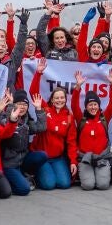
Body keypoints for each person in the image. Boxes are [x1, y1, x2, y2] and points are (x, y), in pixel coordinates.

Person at [25, 60, 76, 190]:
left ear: (65, 99)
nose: (59, 100)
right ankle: (35, 174)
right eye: (56, 98)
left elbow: (71, 142)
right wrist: (38, 73)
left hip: (57, 158)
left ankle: (52, 171)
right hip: (42, 156)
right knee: (49, 185)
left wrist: (73, 161)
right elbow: (33, 92)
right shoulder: (45, 109)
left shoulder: (69, 117)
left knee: (64, 184)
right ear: (52, 100)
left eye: (62, 98)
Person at [70, 69, 112, 190]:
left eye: (95, 104)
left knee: (102, 185)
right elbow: (74, 105)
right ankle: (84, 173)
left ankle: (100, 172)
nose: (93, 107)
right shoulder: (81, 119)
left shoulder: (104, 118)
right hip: (85, 159)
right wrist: (78, 87)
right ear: (86, 106)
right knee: (88, 186)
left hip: (101, 158)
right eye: (90, 105)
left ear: (98, 106)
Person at [0, 89, 48, 196]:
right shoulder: (5, 120)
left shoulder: (27, 121)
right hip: (9, 164)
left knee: (42, 155)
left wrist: (38, 109)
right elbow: (6, 124)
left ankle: (25, 174)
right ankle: (10, 181)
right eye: (19, 104)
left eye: (25, 104)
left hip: (23, 161)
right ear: (13, 105)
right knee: (24, 189)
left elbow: (41, 127)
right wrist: (11, 107)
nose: (22, 107)